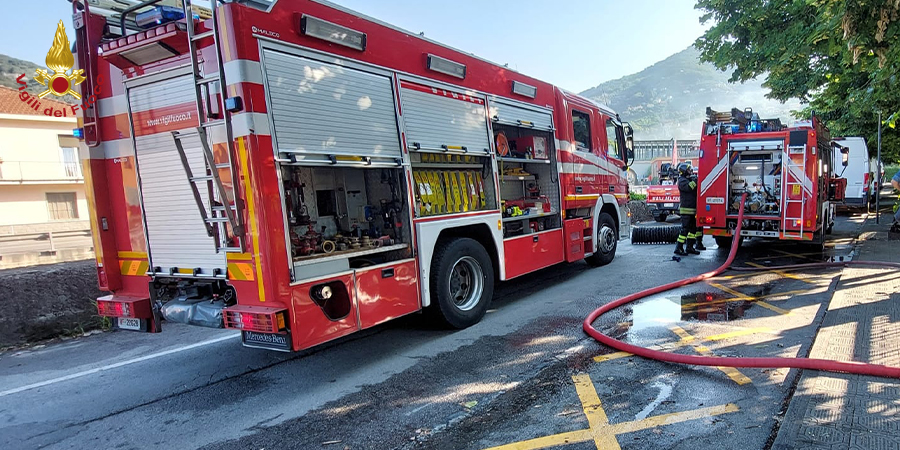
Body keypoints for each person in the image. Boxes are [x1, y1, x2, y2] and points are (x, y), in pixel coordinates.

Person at [674, 162, 700, 256]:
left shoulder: (688, 179)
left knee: (693, 230)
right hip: (686, 209)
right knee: (684, 230)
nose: (690, 171)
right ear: (684, 171)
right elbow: (689, 187)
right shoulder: (682, 181)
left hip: (692, 209)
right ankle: (678, 248)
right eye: (689, 170)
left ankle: (690, 247)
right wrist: (696, 180)